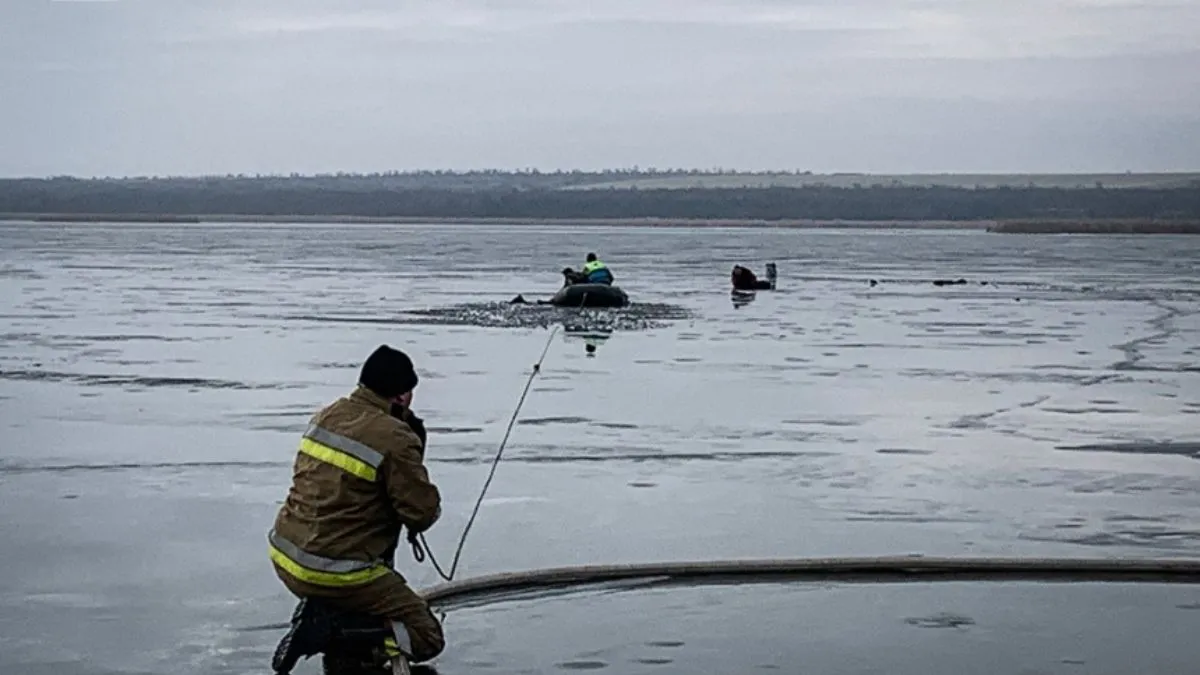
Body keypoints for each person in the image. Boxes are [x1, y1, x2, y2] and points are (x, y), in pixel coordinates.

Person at [269, 345, 444, 670]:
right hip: (339, 572)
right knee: (426, 635)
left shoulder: (326, 415)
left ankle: (327, 619)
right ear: (402, 396)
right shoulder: (395, 436)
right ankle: (339, 632)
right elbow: (421, 513)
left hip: (287, 559)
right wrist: (413, 452)